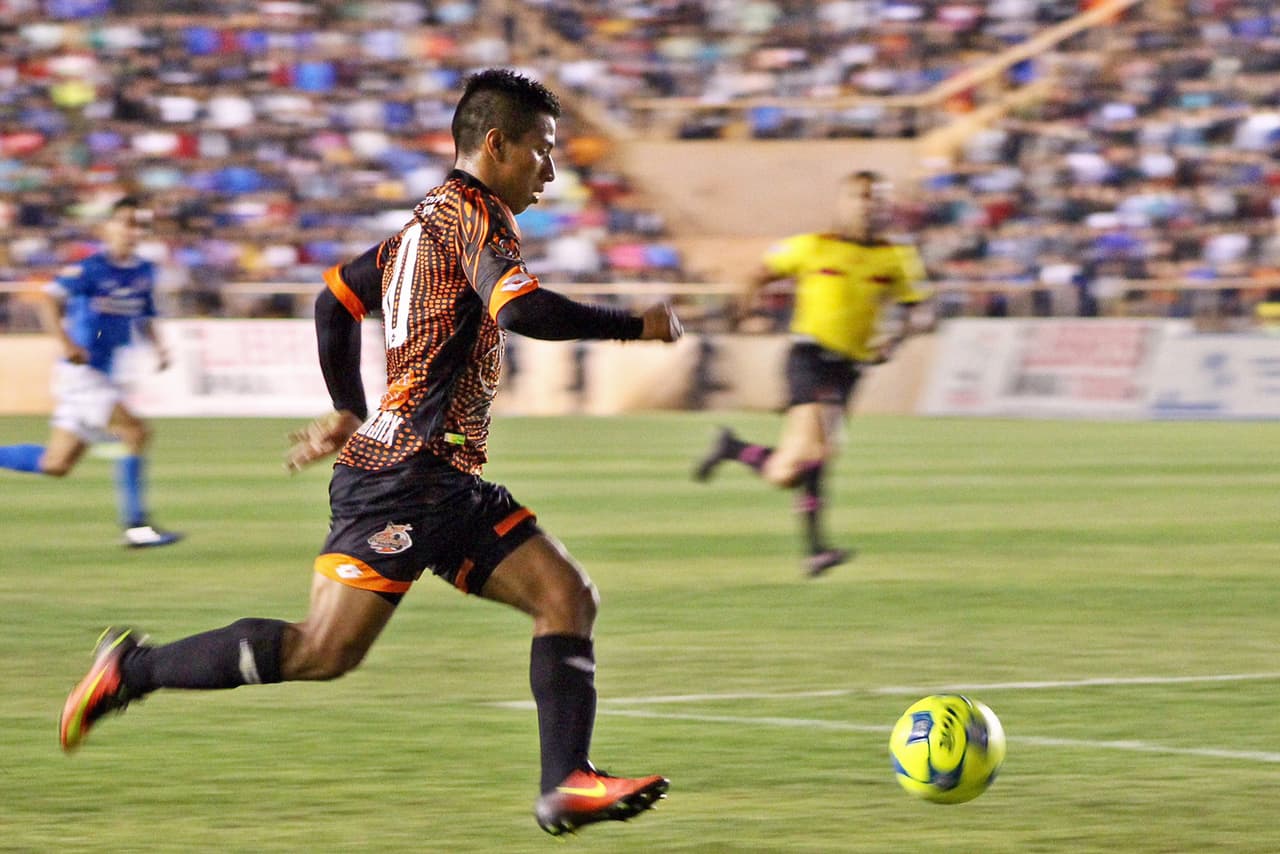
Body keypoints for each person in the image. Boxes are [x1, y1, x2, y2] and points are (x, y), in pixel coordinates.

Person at [59, 69, 680, 837]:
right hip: (404, 482)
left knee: (567, 597)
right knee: (323, 651)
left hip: (441, 478)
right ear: (496, 145)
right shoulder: (475, 218)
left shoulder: (422, 226)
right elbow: (523, 311)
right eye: (542, 152)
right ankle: (130, 671)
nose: (551, 171)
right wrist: (634, 325)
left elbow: (334, 300)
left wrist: (349, 410)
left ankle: (567, 784)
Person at [693, 171, 928, 577]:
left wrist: (895, 338)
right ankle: (816, 549)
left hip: (851, 369)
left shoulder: (896, 256)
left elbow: (914, 305)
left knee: (788, 471)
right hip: (809, 357)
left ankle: (734, 448)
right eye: (863, 196)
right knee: (821, 451)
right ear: (845, 202)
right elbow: (758, 274)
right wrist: (747, 312)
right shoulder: (813, 246)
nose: (871, 205)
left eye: (880, 198)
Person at [0, 196, 181, 548]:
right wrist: (66, 343)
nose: (132, 230)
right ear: (108, 227)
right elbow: (46, 299)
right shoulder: (90, 269)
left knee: (56, 463)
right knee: (135, 432)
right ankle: (136, 527)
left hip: (101, 375)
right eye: (126, 222)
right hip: (82, 374)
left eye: (138, 224)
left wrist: (158, 346)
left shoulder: (143, 271)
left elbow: (144, 314)